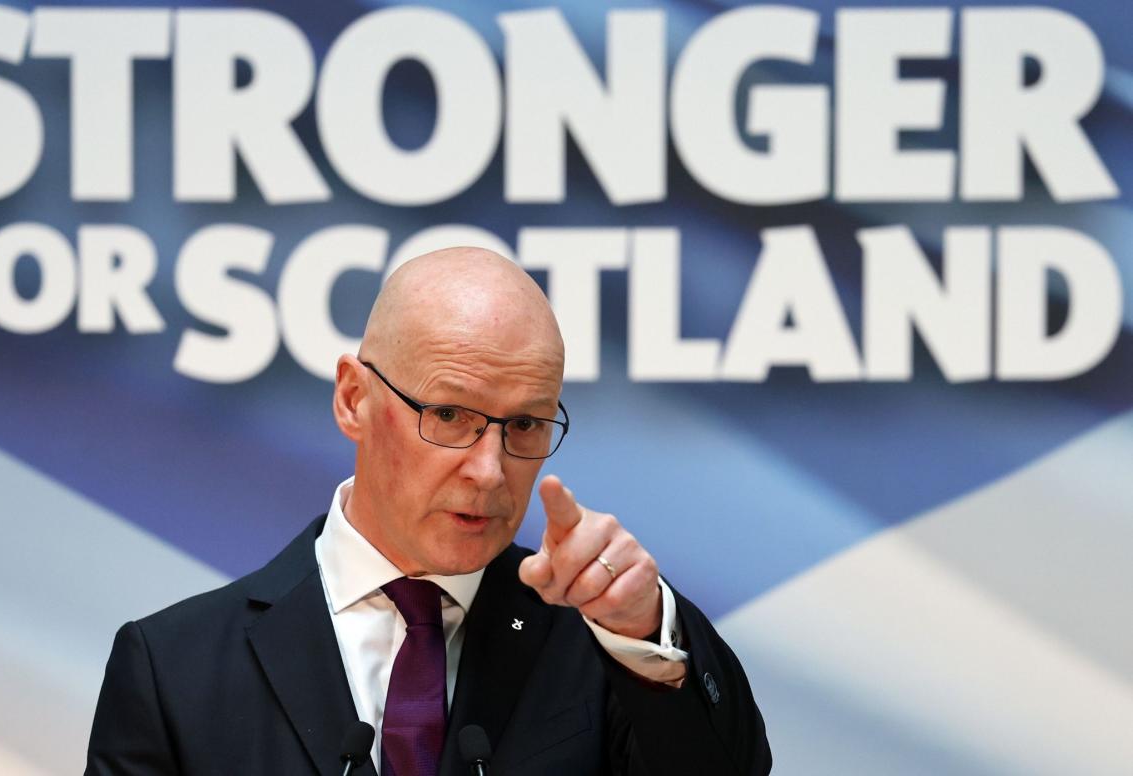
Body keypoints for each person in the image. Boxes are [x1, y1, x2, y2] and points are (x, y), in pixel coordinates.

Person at [85, 247, 771, 775]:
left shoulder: (601, 647)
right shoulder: (173, 673)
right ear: (354, 399)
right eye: (449, 414)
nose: (489, 469)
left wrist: (645, 626)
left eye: (526, 426)